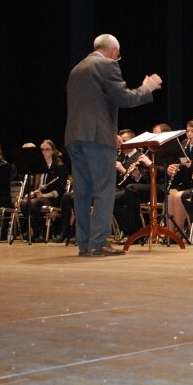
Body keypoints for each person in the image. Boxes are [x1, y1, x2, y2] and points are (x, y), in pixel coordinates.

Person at [64, 33, 162, 257]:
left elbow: (93, 106)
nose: (118, 59)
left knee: (82, 192)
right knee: (104, 188)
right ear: (112, 51)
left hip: (75, 136)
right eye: (118, 55)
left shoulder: (77, 69)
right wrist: (146, 87)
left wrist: (111, 133)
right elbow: (125, 98)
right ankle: (98, 243)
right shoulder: (107, 64)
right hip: (97, 138)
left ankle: (85, 243)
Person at [117, 123, 172, 239]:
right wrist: (137, 174)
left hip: (162, 187)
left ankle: (135, 234)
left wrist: (149, 164)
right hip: (149, 186)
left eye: (156, 134)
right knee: (113, 199)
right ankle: (131, 232)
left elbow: (166, 171)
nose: (153, 137)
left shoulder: (169, 150)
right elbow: (145, 176)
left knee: (131, 188)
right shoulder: (151, 150)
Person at [17, 140, 68, 243]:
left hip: (52, 199)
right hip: (38, 197)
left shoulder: (59, 167)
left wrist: (44, 195)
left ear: (53, 151)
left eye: (47, 149)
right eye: (42, 150)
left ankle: (43, 231)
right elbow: (34, 186)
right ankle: (37, 230)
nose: (44, 152)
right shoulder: (37, 167)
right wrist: (32, 193)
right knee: (23, 203)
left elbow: (60, 190)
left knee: (33, 203)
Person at [165, 119, 193, 236]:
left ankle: (178, 234)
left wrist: (191, 165)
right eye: (187, 131)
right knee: (169, 196)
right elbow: (179, 172)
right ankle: (170, 232)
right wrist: (172, 170)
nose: (189, 134)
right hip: (182, 185)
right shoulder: (184, 149)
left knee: (178, 197)